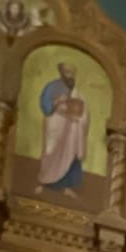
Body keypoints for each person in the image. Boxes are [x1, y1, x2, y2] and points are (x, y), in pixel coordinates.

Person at [36, 62, 87, 192]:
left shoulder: (76, 91)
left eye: (72, 73)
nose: (70, 76)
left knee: (70, 152)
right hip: (55, 124)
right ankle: (45, 181)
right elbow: (45, 104)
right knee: (50, 152)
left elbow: (82, 109)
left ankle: (66, 186)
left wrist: (79, 117)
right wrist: (57, 101)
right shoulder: (52, 87)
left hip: (71, 127)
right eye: (68, 73)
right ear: (62, 72)